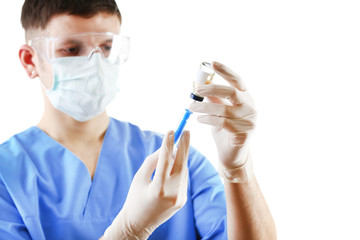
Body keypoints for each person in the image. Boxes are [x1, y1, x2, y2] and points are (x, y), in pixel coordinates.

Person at [0, 0, 276, 239]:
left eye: (107, 47)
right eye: (72, 49)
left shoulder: (177, 160)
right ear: (30, 61)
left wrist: (239, 169)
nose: (95, 63)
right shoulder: (7, 174)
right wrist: (129, 231)